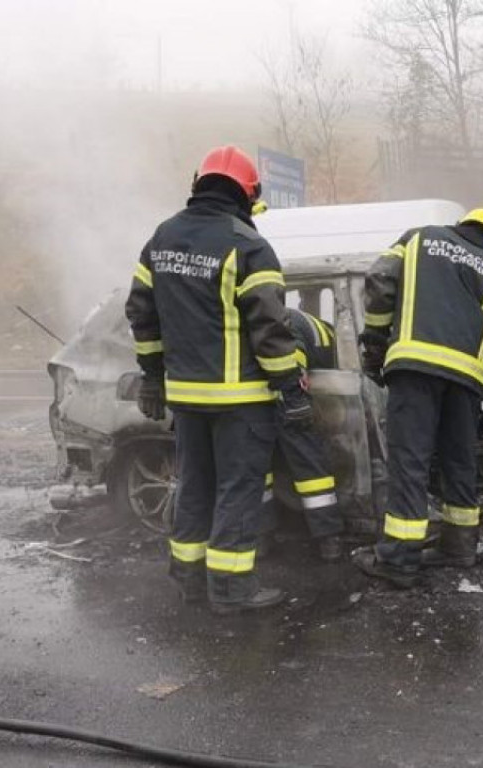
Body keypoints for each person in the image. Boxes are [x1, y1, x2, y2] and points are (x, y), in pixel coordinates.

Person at [125, 145, 312, 614]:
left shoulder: (161, 238)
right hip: (241, 399)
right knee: (238, 490)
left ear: (198, 183)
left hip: (186, 398)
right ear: (249, 195)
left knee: (194, 487)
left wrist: (153, 377)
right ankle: (230, 590)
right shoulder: (249, 246)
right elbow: (271, 329)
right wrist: (291, 390)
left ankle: (189, 581)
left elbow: (141, 315)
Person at [354, 208, 483, 588]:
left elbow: (380, 280)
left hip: (414, 371)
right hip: (465, 383)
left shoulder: (420, 237)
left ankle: (398, 561)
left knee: (410, 463)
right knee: (458, 463)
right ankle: (459, 548)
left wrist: (375, 347)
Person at [271, 306, 344, 562]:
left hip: (284, 397)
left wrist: (294, 398)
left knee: (259, 472)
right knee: (311, 468)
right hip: (288, 397)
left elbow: (293, 359)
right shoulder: (319, 326)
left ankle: (261, 538)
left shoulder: (282, 321)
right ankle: (329, 540)